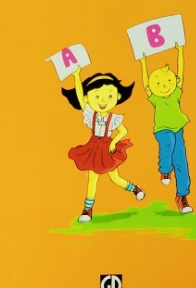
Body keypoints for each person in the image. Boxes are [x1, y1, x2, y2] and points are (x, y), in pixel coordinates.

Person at [61, 67, 144, 222]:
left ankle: (135, 188)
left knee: (115, 178)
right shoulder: (91, 114)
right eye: (97, 96)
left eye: (109, 96)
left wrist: (114, 142)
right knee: (92, 179)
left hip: (107, 148)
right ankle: (87, 210)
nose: (103, 101)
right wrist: (77, 76)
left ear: (117, 96)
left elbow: (123, 131)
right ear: (88, 98)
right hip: (93, 147)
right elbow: (80, 97)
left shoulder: (113, 118)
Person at [141, 42, 193, 213]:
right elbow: (145, 82)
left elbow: (181, 72)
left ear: (175, 82)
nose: (164, 86)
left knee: (181, 161)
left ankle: (182, 196)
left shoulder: (176, 93)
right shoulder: (155, 98)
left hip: (178, 128)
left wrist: (180, 52)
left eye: (168, 81)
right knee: (168, 142)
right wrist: (143, 63)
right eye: (158, 83)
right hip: (162, 130)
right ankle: (165, 169)